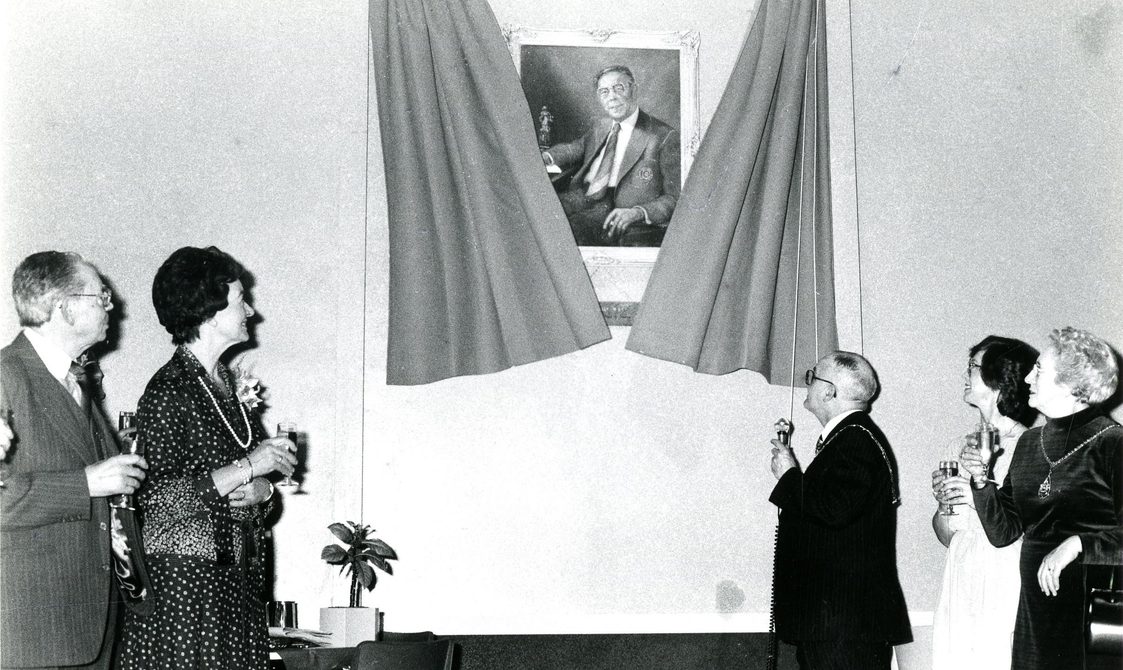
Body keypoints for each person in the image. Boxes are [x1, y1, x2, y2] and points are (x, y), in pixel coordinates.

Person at [118, 246, 297, 669]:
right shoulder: (168, 390)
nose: (250, 310)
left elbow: (249, 491)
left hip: (236, 586)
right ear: (211, 312)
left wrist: (262, 489)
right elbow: (154, 501)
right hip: (186, 591)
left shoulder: (225, 386)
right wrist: (250, 466)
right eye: (239, 300)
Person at [1, 251, 149, 669]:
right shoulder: (6, 376)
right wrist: (84, 484)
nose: (111, 305)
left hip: (88, 625)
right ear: (63, 308)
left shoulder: (76, 381)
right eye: (99, 295)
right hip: (32, 629)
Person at [962, 327, 1122, 670]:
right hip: (1036, 615)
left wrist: (1078, 544)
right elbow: (1003, 531)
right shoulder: (1030, 444)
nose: (1028, 377)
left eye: (1040, 371)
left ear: (1073, 385)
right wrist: (981, 480)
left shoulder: (1113, 443)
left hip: (1095, 617)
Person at [767, 351, 912, 669]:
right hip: (838, 625)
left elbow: (833, 511)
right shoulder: (852, 438)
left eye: (812, 377)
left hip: (841, 628)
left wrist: (790, 477)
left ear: (829, 391)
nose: (808, 385)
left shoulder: (854, 442)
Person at [931, 336, 1038, 670]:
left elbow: (1022, 527)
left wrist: (978, 498)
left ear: (1000, 380)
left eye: (974, 366)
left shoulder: (1030, 445)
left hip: (1004, 574)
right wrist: (944, 503)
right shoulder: (958, 445)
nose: (966, 373)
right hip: (961, 571)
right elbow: (949, 536)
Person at [542, 65, 680, 246]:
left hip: (615, 205)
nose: (612, 97)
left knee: (565, 231)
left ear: (634, 90)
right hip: (583, 194)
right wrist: (546, 157)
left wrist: (639, 212)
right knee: (540, 212)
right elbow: (575, 149)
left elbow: (676, 196)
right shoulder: (601, 125)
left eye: (619, 88)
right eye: (604, 92)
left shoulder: (663, 135)